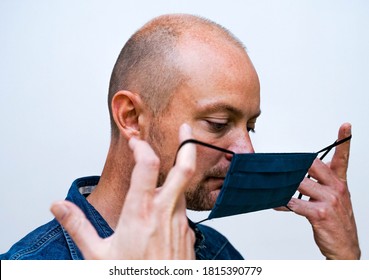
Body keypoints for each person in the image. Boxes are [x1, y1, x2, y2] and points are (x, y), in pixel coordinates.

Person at [0, 14, 360, 260]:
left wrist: (345, 263)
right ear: (131, 117)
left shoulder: (217, 253)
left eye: (250, 127)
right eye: (218, 123)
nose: (247, 151)